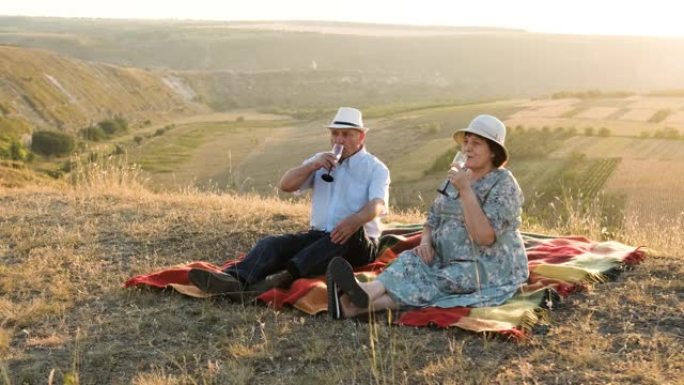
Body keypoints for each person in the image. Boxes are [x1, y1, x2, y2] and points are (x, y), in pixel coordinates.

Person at [326, 114, 528, 319]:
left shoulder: (503, 184)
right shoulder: (458, 175)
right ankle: (356, 301)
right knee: (409, 261)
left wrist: (466, 190)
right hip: (445, 256)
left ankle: (354, 302)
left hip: (487, 264)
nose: (467, 148)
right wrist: (425, 242)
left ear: (493, 152)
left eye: (476, 144)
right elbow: (432, 219)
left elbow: (484, 237)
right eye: (466, 142)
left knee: (439, 279)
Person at [189, 107, 390, 301]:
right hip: (320, 236)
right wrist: (312, 166)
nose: (339, 139)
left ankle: (280, 279)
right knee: (272, 244)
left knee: (345, 235)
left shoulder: (375, 168)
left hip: (358, 242)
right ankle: (234, 279)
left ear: (361, 137)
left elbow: (378, 204)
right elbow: (285, 185)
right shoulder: (321, 160)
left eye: (346, 134)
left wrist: (355, 220)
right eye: (335, 133)